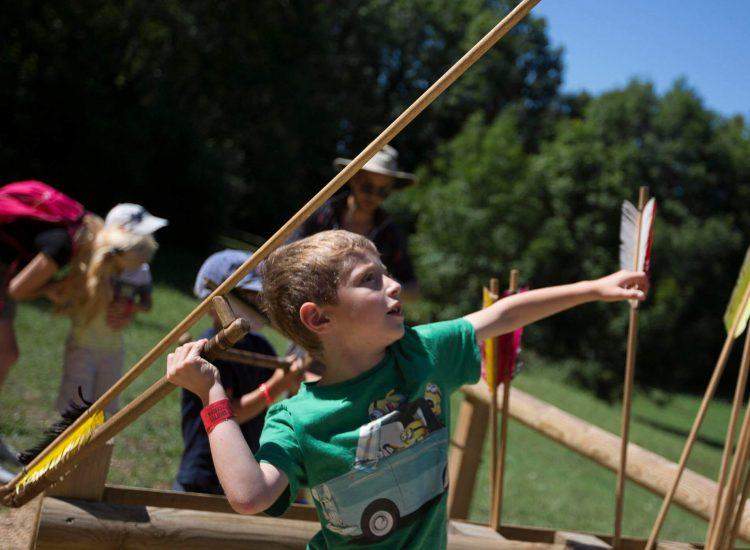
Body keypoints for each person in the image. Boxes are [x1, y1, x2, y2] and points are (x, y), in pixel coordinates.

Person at [166, 230, 648, 548]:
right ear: (320, 318)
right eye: (371, 280)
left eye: (387, 272)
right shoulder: (297, 419)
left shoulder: (421, 353)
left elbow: (505, 314)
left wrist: (595, 287)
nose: (395, 286)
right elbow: (250, 496)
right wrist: (213, 396)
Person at [173, 250, 305, 495]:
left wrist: (295, 382)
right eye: (247, 296)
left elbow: (287, 402)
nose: (257, 304)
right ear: (215, 301)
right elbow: (227, 413)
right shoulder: (206, 353)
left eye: (258, 296)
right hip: (204, 476)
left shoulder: (261, 347)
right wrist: (276, 385)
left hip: (245, 469)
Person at [0, 180, 98, 480]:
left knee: (6, 354)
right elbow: (18, 289)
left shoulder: (70, 224)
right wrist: (51, 289)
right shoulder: (63, 245)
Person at [54, 204, 168, 415]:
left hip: (113, 350)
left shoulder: (141, 270)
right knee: (74, 411)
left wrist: (130, 308)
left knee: (105, 412)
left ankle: (96, 448)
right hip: (83, 346)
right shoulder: (90, 264)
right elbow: (66, 296)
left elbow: (147, 304)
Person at [293, 145, 420, 300]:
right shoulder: (321, 215)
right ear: (353, 179)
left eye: (382, 191)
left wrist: (381, 285)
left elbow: (413, 289)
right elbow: (289, 255)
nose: (373, 196)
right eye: (367, 187)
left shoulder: (389, 233)